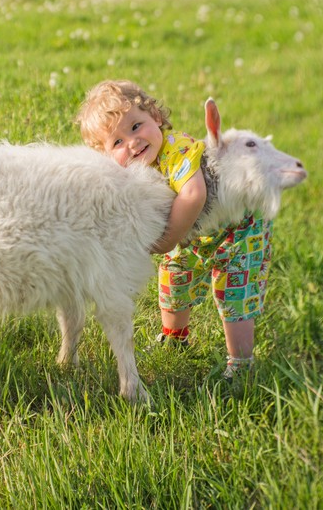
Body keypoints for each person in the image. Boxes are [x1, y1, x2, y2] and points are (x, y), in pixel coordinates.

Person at [75, 80, 272, 380]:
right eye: (116, 143)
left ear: (156, 117)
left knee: (234, 292)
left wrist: (166, 241)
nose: (131, 142)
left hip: (237, 231)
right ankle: (174, 338)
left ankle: (241, 363)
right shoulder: (137, 168)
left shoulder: (176, 149)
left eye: (136, 126)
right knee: (174, 282)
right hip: (193, 235)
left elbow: (194, 195)